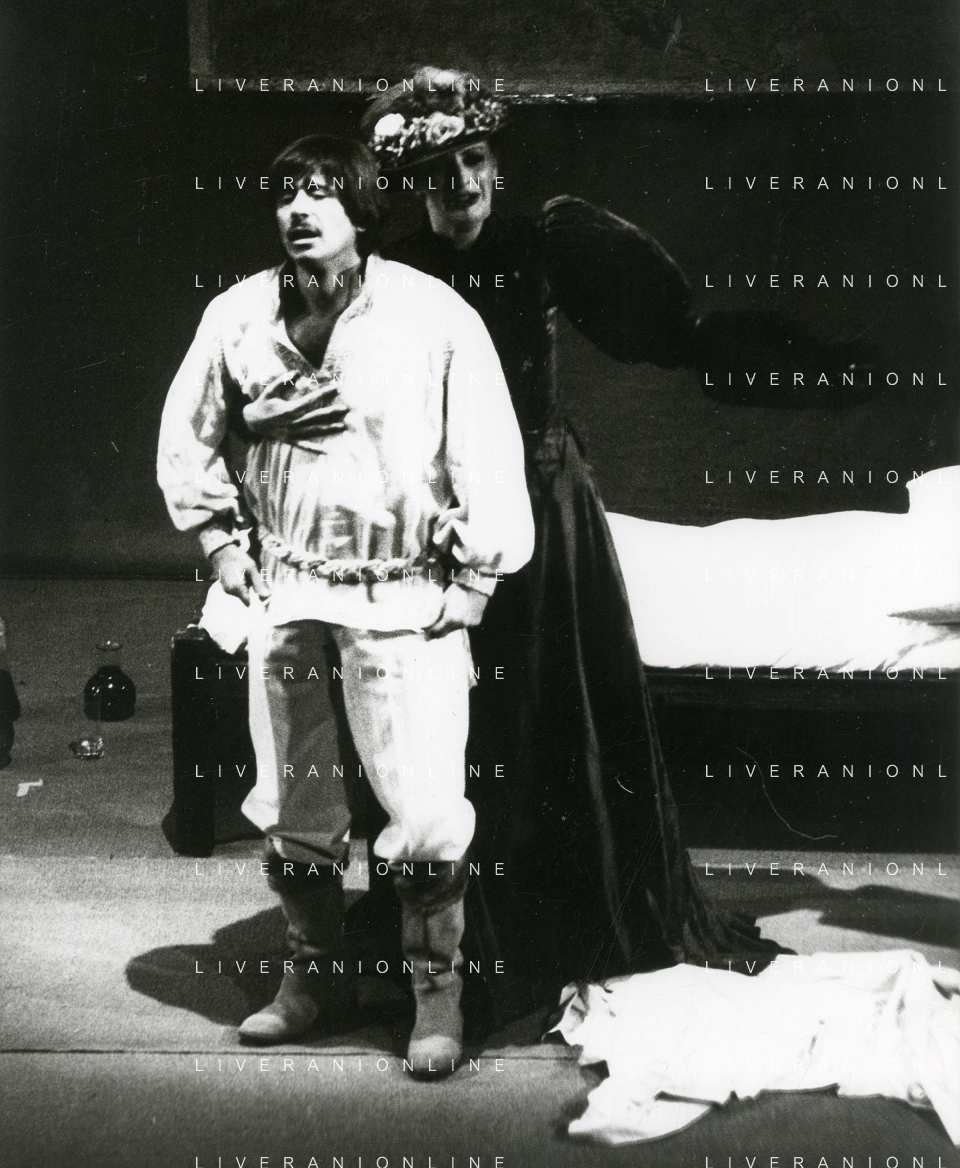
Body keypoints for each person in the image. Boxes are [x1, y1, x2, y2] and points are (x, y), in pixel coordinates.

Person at [357, 68, 813, 1027]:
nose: (462, 184)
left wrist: (769, 356)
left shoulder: (540, 241)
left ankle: (567, 912)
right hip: (440, 517)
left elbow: (662, 326)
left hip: (540, 505)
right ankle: (460, 930)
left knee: (550, 712)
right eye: (440, 171)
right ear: (414, 184)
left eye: (475, 161)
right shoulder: (392, 270)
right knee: (456, 724)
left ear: (495, 167)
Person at [157, 134, 534, 1075]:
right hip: (288, 592)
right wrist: (220, 543)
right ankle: (311, 979)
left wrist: (476, 580)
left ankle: (436, 995)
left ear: (362, 208)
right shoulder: (239, 317)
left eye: (322, 193)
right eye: (286, 192)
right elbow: (187, 436)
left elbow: (486, 444)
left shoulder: (430, 316)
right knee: (298, 800)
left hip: (400, 595)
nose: (299, 209)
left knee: (426, 810)